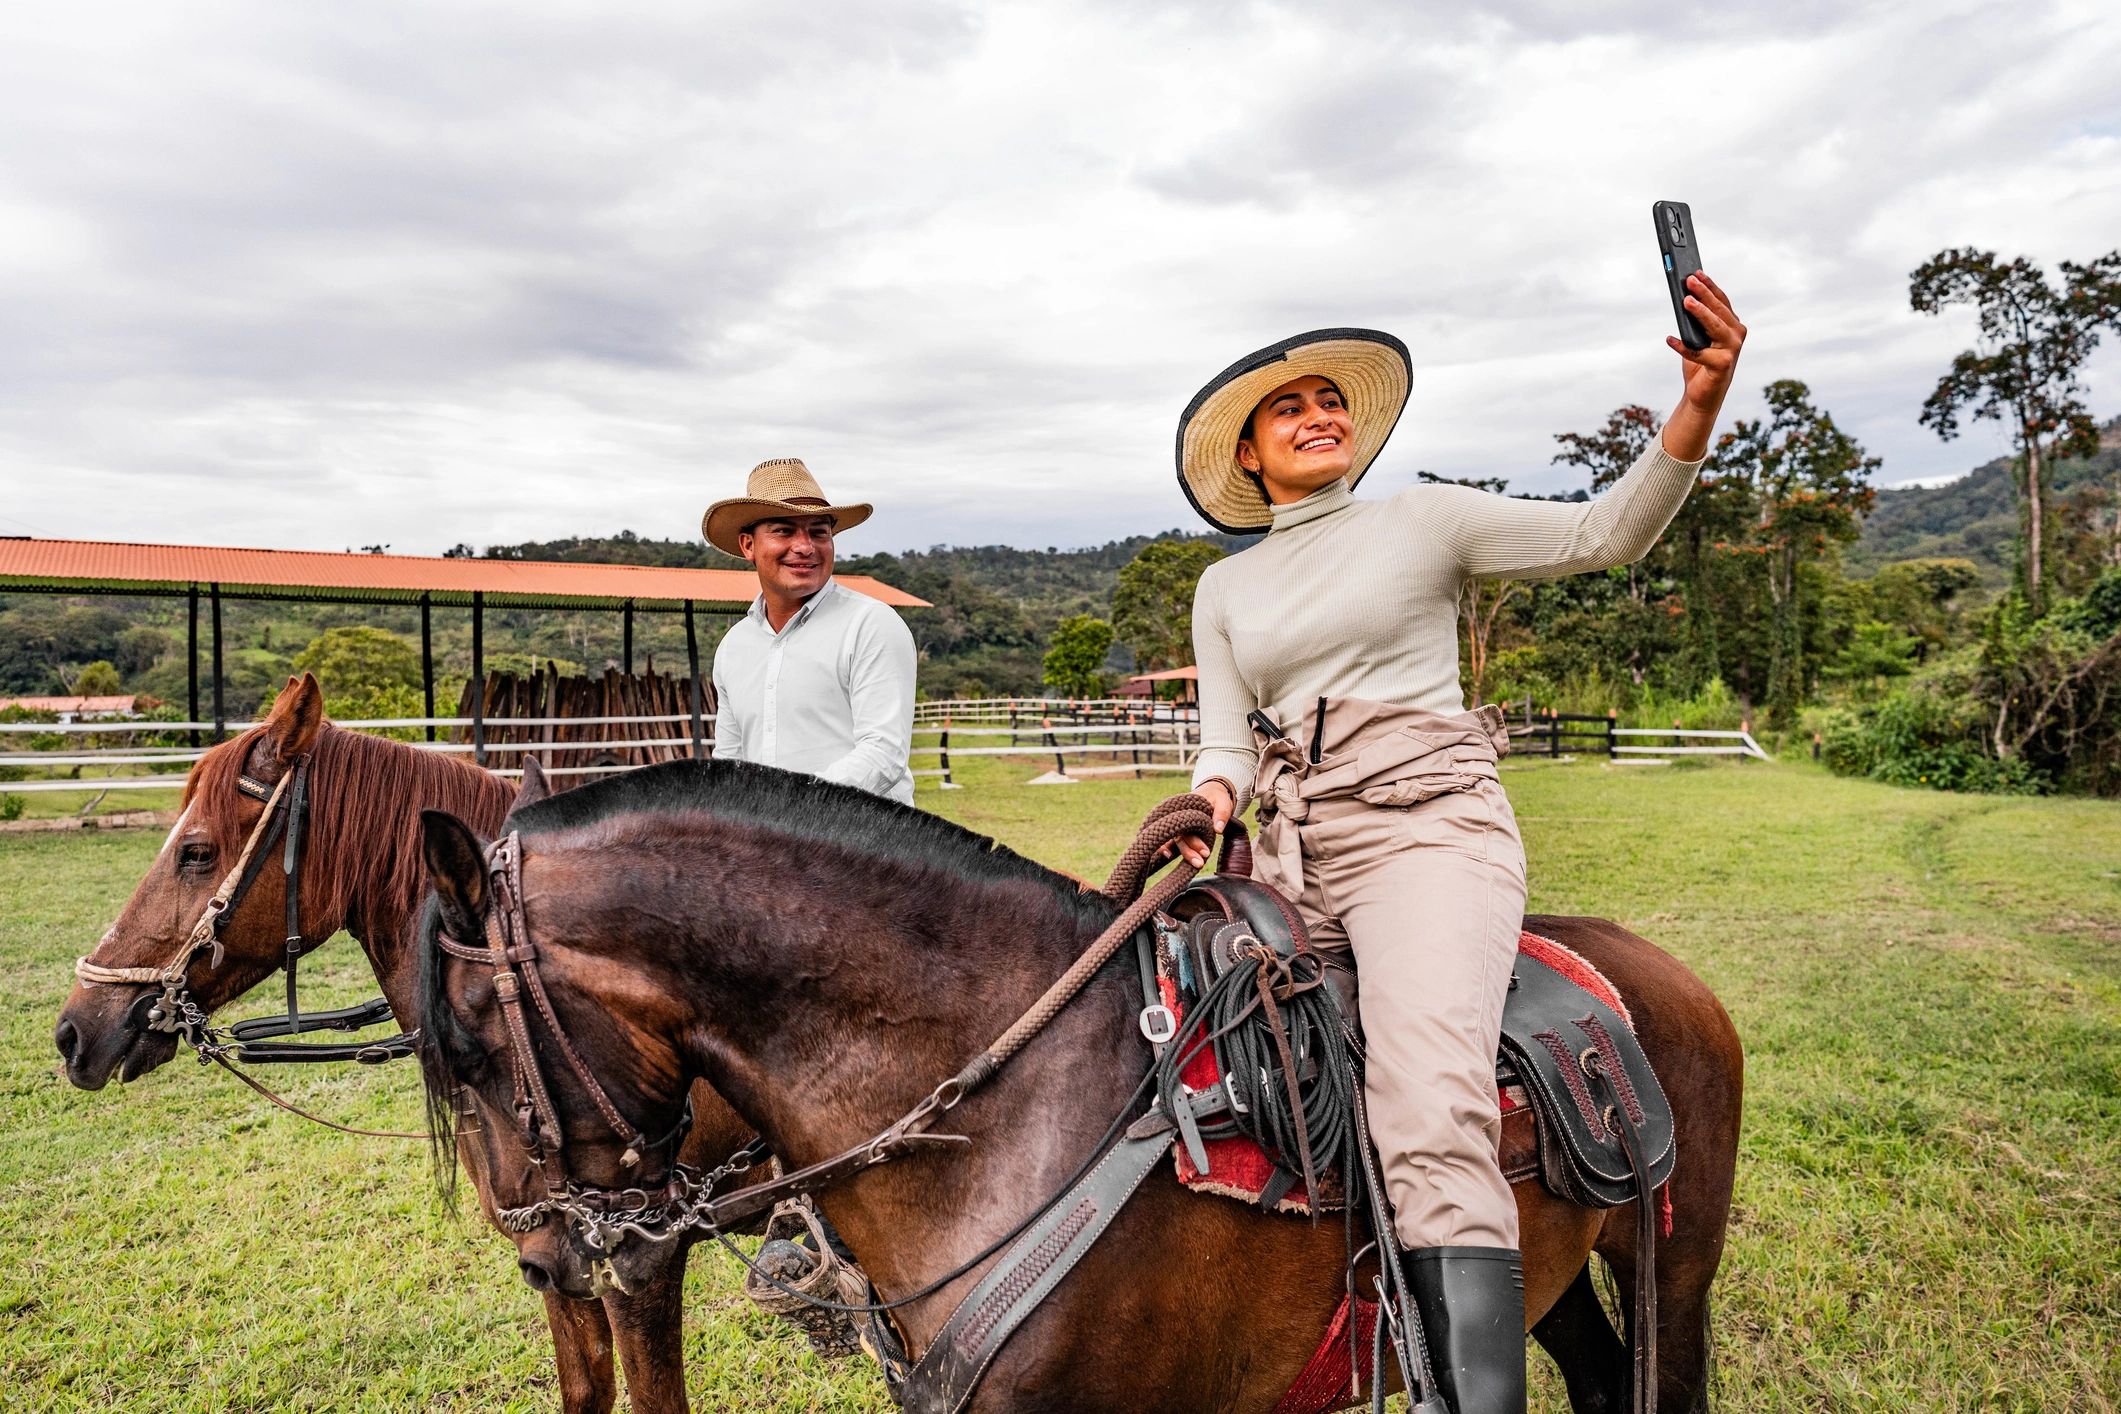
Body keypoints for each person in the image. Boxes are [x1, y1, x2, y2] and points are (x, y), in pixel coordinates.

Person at [1167, 274, 1746, 1414]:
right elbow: (1226, 743)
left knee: (1428, 1102)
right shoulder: (1225, 584)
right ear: (1248, 453)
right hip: (1289, 852)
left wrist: (1699, 400)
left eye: (1334, 400)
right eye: (1291, 407)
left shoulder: (1422, 518)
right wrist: (1205, 804)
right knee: (1196, 1064)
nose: (1321, 414)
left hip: (1427, 832)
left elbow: (1604, 531)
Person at [703, 458, 919, 806]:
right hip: (772, 850)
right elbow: (731, 760)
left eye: (819, 532)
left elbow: (883, 754)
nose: (805, 547)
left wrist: (790, 809)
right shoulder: (735, 646)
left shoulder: (870, 625)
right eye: (784, 531)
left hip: (865, 849)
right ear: (748, 546)